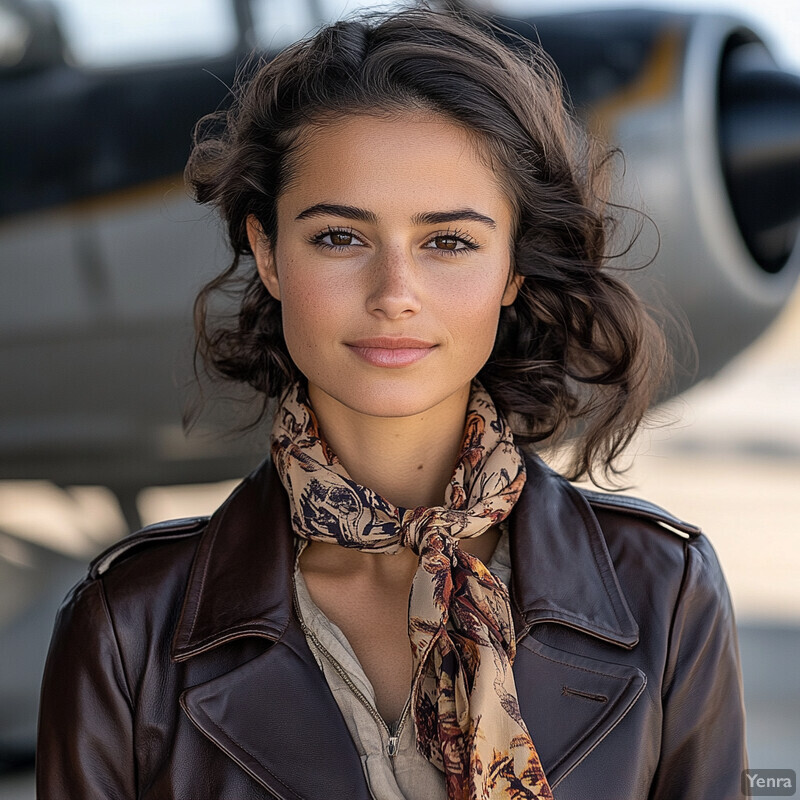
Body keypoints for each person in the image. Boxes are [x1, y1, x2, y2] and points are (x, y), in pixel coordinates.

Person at [36, 8, 747, 800]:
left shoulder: (666, 594)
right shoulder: (127, 629)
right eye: (341, 237)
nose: (394, 296)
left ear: (514, 267)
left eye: (448, 241)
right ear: (268, 253)